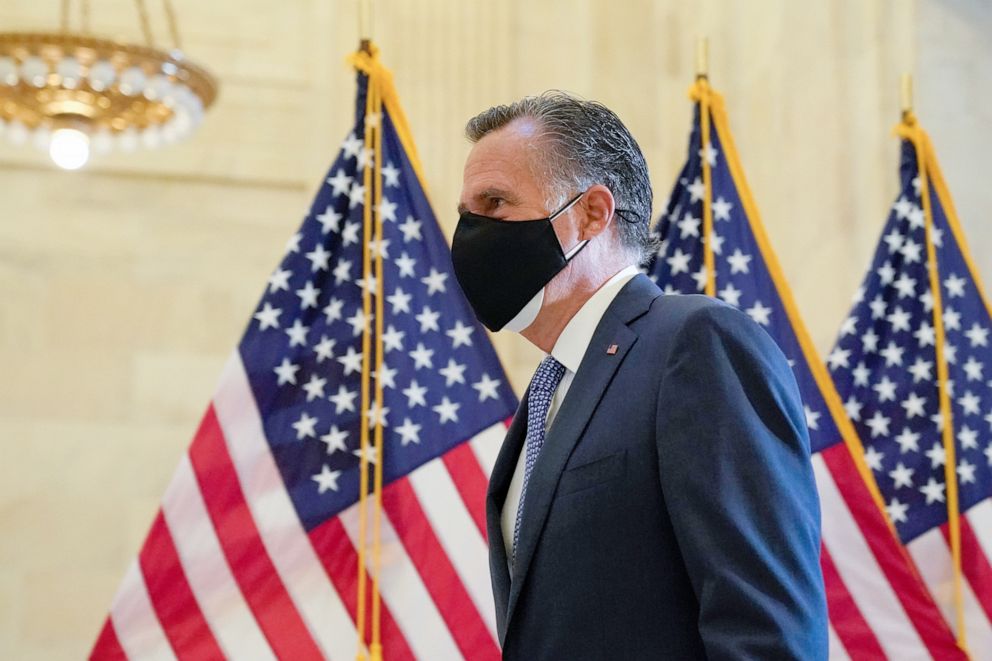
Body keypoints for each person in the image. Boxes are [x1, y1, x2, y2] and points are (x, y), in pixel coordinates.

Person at [450, 92, 828, 660]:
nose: (471, 234)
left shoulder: (694, 344)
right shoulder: (550, 390)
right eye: (466, 214)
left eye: (496, 203)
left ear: (590, 214)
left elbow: (766, 632)